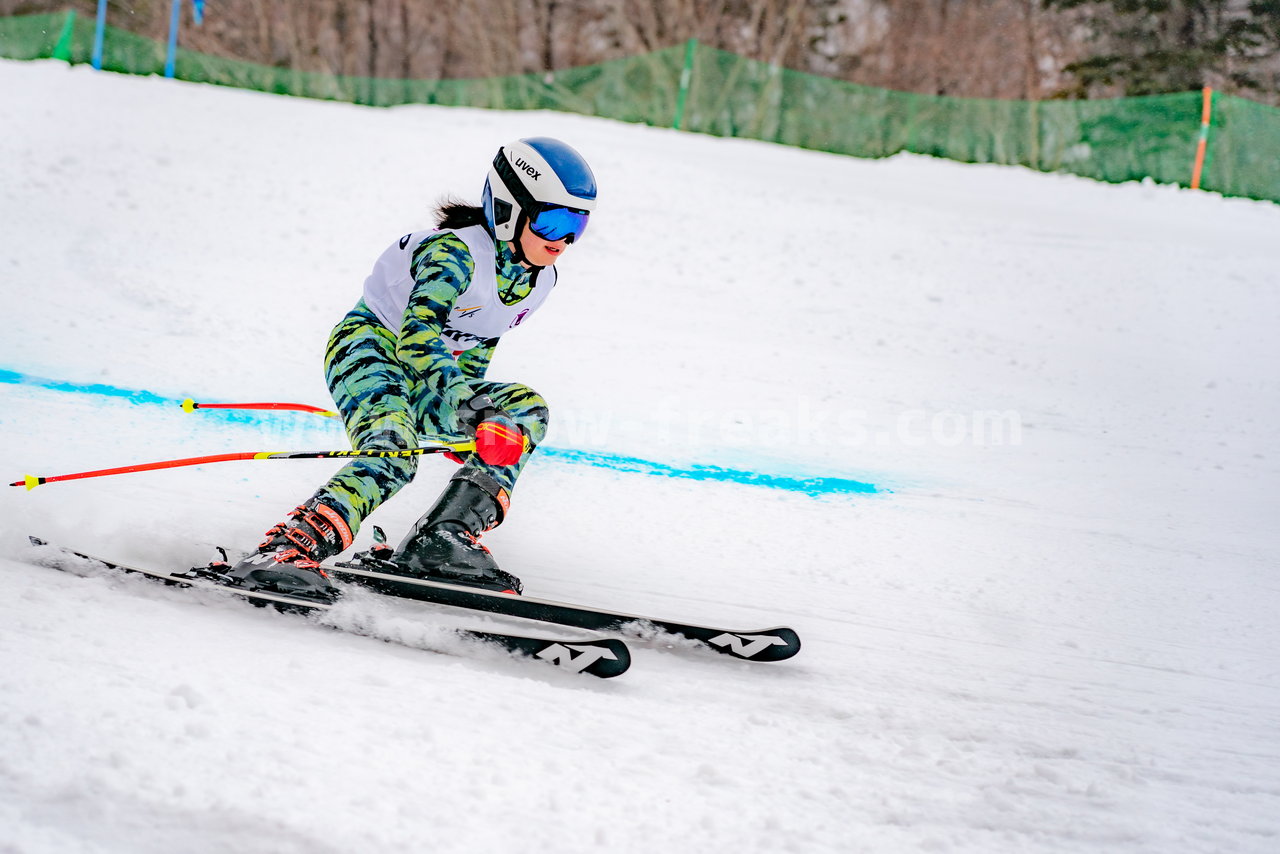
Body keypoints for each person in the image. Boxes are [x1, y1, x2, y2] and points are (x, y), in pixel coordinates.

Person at [221, 136, 597, 602]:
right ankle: (285, 549)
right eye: (552, 221)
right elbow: (418, 342)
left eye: (577, 225)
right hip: (370, 349)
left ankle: (442, 541)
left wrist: (469, 421)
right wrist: (475, 409)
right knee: (394, 453)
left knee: (526, 409)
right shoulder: (453, 255)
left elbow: (478, 342)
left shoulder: (538, 278)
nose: (563, 240)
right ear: (508, 209)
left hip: (432, 378)